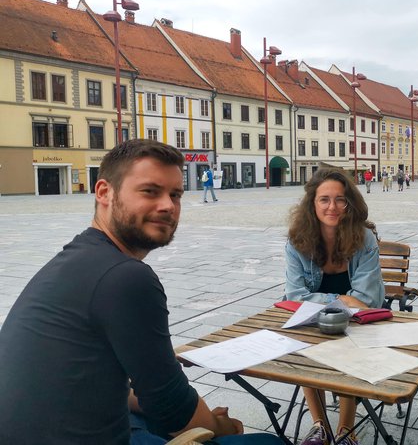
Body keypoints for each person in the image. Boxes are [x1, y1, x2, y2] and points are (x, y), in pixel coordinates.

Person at [0, 140, 282, 445]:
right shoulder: (125, 277)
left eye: (175, 194)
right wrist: (222, 426)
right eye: (150, 191)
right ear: (104, 192)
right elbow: (173, 407)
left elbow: (133, 389)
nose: (168, 205)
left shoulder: (78, 257)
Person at [284, 168, 385, 445]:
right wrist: (339, 300)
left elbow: (365, 300)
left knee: (348, 348)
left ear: (349, 203)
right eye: (324, 199)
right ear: (312, 203)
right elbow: (294, 296)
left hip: (361, 319)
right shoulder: (297, 241)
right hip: (313, 320)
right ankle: (320, 426)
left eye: (340, 199)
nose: (332, 207)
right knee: (303, 346)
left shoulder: (364, 239)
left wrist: (329, 302)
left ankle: (345, 430)